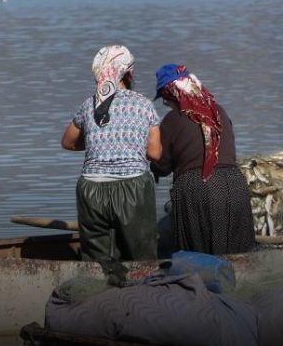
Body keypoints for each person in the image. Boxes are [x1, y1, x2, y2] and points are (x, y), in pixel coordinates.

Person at [62, 45, 162, 262]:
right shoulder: (143, 105)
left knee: (96, 262)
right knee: (141, 259)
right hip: (133, 187)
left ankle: (97, 293)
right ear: (129, 73)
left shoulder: (88, 105)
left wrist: (94, 141)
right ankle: (143, 293)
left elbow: (68, 142)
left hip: (91, 187)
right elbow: (155, 153)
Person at [151, 64, 255, 255]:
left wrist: (154, 166)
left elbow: (163, 164)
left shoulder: (173, 120)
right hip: (235, 184)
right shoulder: (220, 111)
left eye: (166, 100)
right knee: (238, 252)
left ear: (172, 95)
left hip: (199, 186)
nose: (167, 105)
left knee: (200, 253)